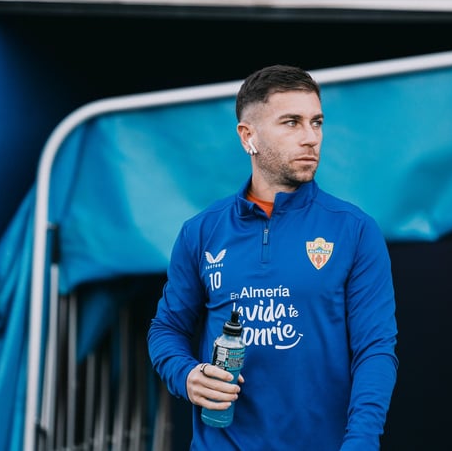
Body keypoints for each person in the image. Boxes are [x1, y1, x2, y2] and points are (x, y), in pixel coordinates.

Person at [147, 64, 398, 450]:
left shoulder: (355, 230)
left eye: (316, 123)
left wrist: (361, 442)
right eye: (291, 123)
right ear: (248, 136)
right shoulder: (202, 231)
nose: (310, 138)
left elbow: (375, 350)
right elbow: (166, 329)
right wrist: (187, 375)